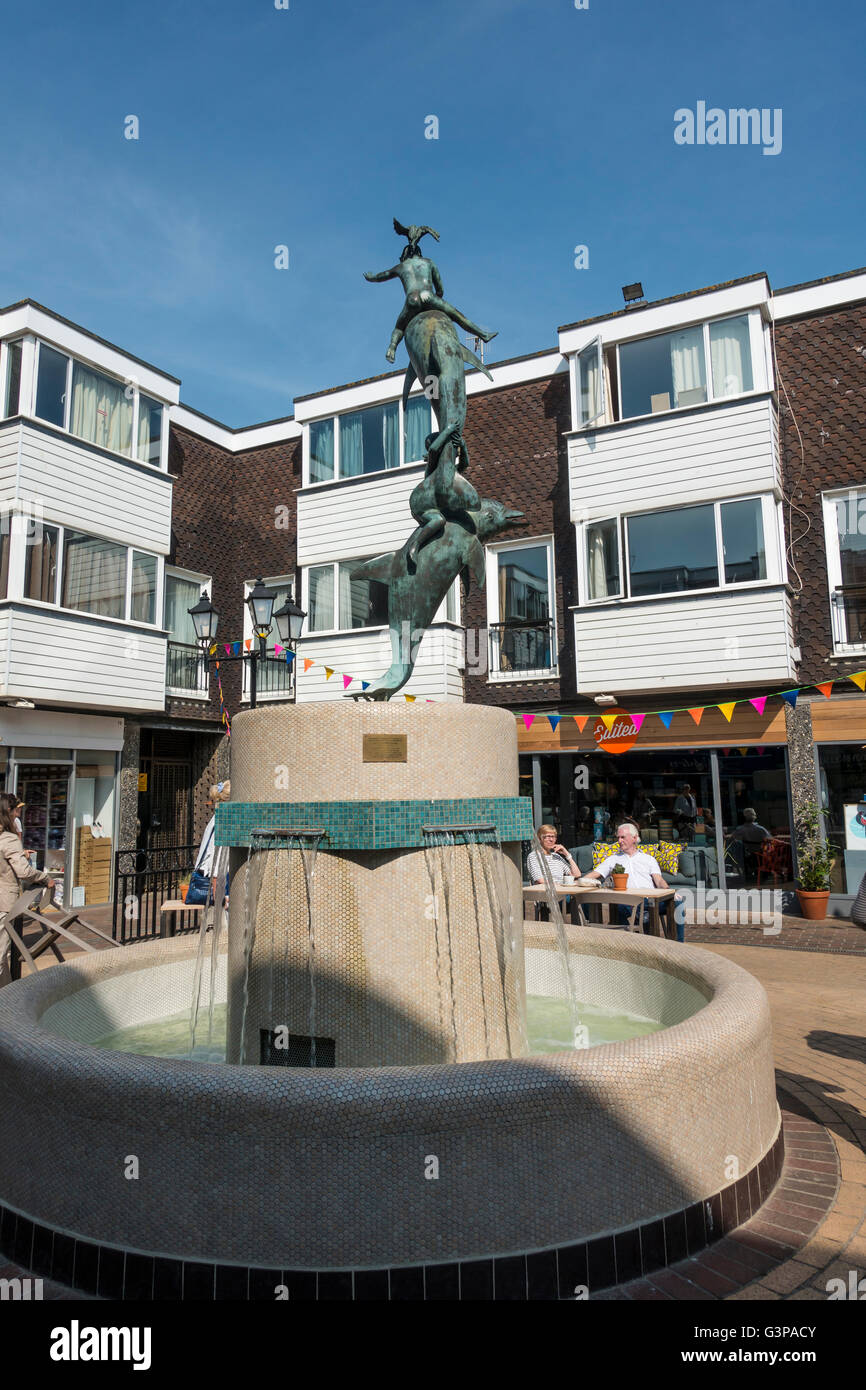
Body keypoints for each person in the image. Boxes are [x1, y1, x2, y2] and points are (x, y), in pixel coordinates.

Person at [364, 220, 497, 363]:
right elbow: (440, 287)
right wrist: (437, 298)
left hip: (412, 300)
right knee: (457, 316)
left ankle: (391, 348)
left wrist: (371, 278)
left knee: (399, 327)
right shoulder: (428, 262)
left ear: (405, 256)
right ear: (419, 253)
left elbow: (382, 276)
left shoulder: (401, 267)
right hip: (429, 296)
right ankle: (483, 334)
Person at [580, 822, 681, 937]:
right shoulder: (613, 859)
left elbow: (659, 881)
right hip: (627, 902)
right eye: (618, 837)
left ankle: (678, 943)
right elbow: (594, 874)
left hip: (650, 901)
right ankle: (629, 939)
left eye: (622, 837)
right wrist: (578, 882)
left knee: (678, 903)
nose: (619, 841)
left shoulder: (648, 859)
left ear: (635, 838)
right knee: (619, 907)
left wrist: (670, 892)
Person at [0, 799, 55, 986]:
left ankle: (8, 996)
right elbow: (24, 872)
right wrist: (45, 878)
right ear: (8, 811)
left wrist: (20, 855)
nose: (18, 815)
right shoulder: (8, 838)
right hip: (3, 903)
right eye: (16, 810)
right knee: (1, 955)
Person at [191, 781, 231, 907]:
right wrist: (220, 899)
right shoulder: (222, 822)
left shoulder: (218, 819)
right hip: (221, 884)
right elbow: (216, 861)